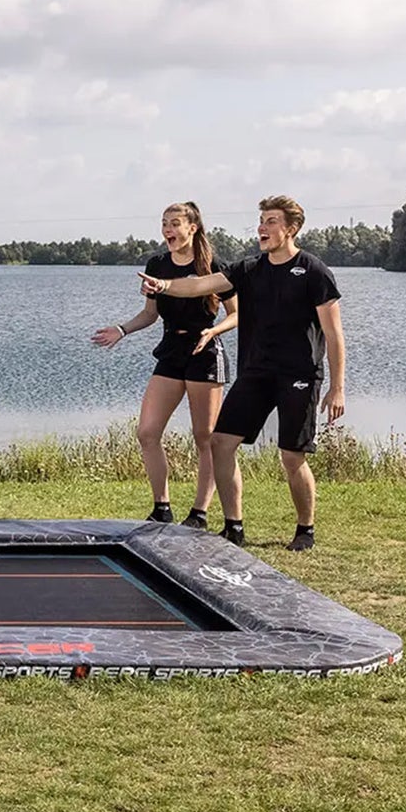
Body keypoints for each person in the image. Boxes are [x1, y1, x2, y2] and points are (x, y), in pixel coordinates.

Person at [138, 195, 344, 551]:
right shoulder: (249, 269)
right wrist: (166, 285)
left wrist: (337, 386)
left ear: (291, 229)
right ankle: (234, 527)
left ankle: (305, 529)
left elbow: (334, 333)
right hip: (256, 373)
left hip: (299, 374)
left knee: (291, 457)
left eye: (271, 221)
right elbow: (202, 284)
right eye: (261, 220)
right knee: (220, 442)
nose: (262, 228)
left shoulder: (313, 271)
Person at [92, 202, 238, 528]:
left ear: (193, 227)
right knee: (147, 432)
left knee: (205, 437)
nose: (168, 230)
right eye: (164, 224)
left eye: (175, 223)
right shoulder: (157, 263)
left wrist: (213, 330)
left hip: (205, 352)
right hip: (171, 351)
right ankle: (162, 508)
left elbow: (237, 314)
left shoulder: (214, 265)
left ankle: (199, 513)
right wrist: (122, 329)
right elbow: (150, 314)